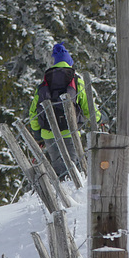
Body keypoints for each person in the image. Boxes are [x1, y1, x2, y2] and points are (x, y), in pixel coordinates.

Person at [29, 42, 101, 179]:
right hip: (70, 131)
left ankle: (61, 197)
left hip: (49, 133)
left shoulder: (44, 82)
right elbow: (87, 106)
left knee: (60, 171)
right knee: (74, 170)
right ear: (69, 62)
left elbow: (34, 112)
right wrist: (99, 118)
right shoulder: (75, 79)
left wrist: (38, 134)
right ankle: (73, 197)